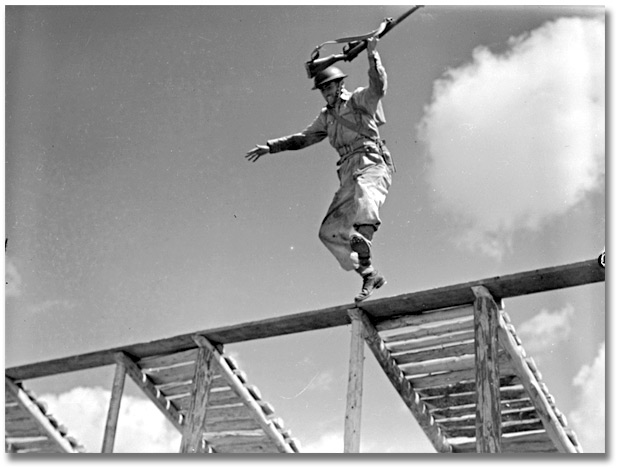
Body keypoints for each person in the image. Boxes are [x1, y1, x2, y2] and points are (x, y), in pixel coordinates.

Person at [245, 37, 394, 303]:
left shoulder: (358, 101)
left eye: (330, 87)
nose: (326, 93)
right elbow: (303, 138)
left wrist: (373, 55)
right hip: (348, 172)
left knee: (365, 196)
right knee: (329, 231)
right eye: (322, 90)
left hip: (371, 163)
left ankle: (363, 239)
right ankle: (369, 273)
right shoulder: (326, 117)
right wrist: (271, 147)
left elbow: (378, 86)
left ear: (340, 85)